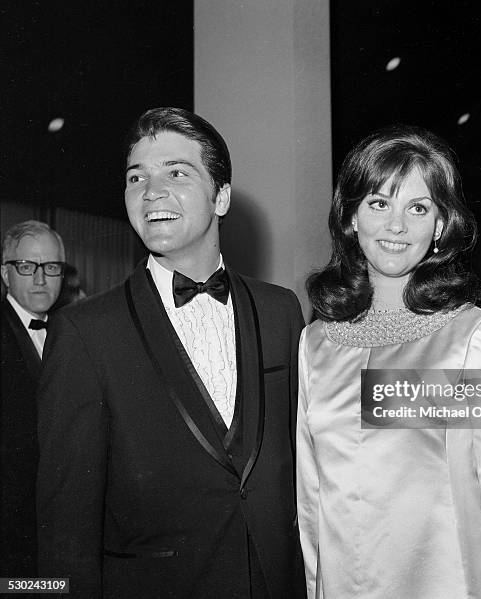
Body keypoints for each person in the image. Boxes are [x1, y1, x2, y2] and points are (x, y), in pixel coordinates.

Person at [37, 107, 306, 599]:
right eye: (136, 177)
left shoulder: (280, 311)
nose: (151, 191)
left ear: (220, 196)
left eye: (176, 173)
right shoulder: (84, 331)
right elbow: (64, 525)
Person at [297, 125, 481, 598]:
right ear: (351, 218)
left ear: (440, 226)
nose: (396, 226)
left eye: (418, 207)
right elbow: (311, 499)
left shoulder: (478, 338)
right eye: (379, 203)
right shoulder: (315, 344)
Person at [1, 220, 65, 578]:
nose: (41, 279)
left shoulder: (72, 333)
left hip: (53, 522)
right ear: (5, 274)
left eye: (51, 267)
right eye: (27, 267)